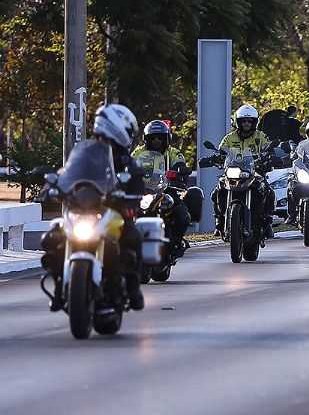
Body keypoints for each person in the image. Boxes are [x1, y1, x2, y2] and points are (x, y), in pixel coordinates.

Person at [41, 104, 146, 311]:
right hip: (81, 210)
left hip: (111, 211)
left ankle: (133, 289)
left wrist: (132, 197)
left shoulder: (127, 162)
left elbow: (137, 181)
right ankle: (59, 286)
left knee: (133, 237)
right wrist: (52, 186)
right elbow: (67, 172)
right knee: (52, 239)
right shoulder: (85, 151)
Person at [132, 120, 195, 256]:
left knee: (182, 214)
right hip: (144, 191)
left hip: (167, 189)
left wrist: (179, 169)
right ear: (146, 139)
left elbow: (180, 162)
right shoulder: (138, 152)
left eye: (160, 138)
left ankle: (177, 241)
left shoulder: (173, 152)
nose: (156, 141)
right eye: (153, 138)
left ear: (166, 139)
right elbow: (131, 164)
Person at [212, 105, 276, 239]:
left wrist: (271, 156)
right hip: (232, 172)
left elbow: (269, 149)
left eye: (249, 121)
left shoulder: (260, 136)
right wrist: (215, 158)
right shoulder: (229, 138)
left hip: (255, 172)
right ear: (238, 122)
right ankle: (219, 221)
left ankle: (267, 222)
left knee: (269, 192)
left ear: (254, 122)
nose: (246, 123)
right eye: (243, 121)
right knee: (217, 190)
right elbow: (221, 151)